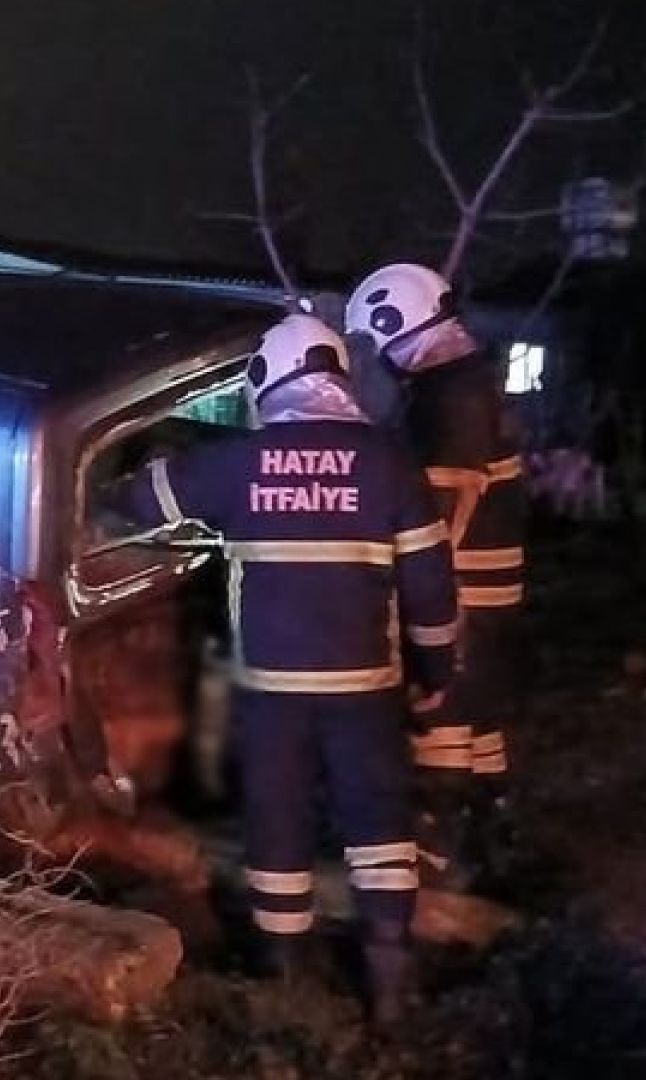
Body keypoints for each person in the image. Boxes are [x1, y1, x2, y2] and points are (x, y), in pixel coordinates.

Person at [99, 313, 459, 1028]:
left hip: (273, 691)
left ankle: (282, 972)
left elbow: (134, 502)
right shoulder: (388, 463)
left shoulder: (235, 462)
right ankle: (389, 977)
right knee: (379, 820)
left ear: (268, 379)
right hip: (366, 688)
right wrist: (436, 667)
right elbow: (429, 586)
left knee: (277, 820)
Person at [342, 263, 530, 918]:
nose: (379, 361)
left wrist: (403, 590)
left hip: (464, 593)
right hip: (491, 591)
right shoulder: (468, 382)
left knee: (439, 723)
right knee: (479, 732)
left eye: (374, 341)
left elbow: (442, 509)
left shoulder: (449, 394)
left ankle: (432, 873)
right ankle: (496, 851)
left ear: (393, 321)